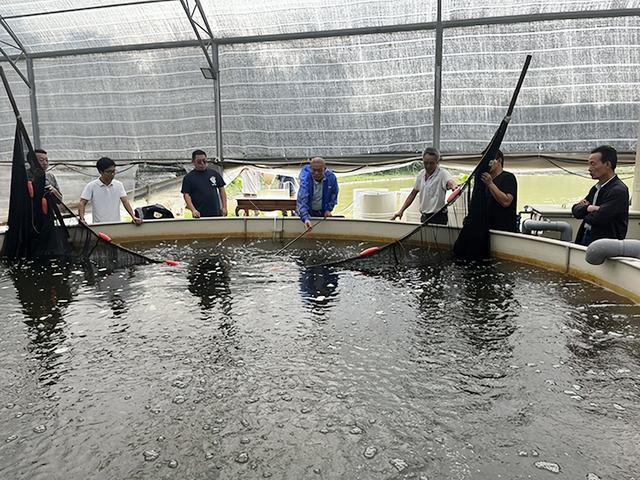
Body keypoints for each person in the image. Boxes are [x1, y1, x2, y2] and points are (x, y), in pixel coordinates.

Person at [571, 145, 629, 246]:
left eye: (593, 164)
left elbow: (598, 218)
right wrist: (589, 208)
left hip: (605, 245)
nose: (589, 169)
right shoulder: (595, 188)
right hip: (586, 237)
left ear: (607, 164)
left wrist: (585, 209)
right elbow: (575, 210)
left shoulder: (618, 191)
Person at [392, 146, 458, 224]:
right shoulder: (421, 174)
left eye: (431, 163)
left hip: (438, 217)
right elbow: (413, 194)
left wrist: (454, 187)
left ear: (437, 162)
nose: (428, 166)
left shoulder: (442, 174)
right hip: (424, 217)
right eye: (425, 163)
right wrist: (401, 210)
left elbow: (450, 182)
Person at [78, 157, 142, 224]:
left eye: (113, 171)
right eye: (108, 172)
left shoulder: (119, 185)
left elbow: (125, 201)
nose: (112, 174)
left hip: (116, 224)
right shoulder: (91, 186)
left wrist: (133, 216)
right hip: (99, 225)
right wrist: (82, 219)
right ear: (100, 172)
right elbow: (82, 203)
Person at [181, 149, 228, 218]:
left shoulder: (214, 174)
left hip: (216, 212)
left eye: (204, 161)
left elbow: (222, 190)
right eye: (199, 162)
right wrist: (193, 210)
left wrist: (224, 207)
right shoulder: (189, 178)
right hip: (199, 214)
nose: (202, 163)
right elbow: (186, 195)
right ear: (193, 162)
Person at [296, 157, 339, 231]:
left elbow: (334, 194)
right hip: (307, 212)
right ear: (310, 169)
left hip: (322, 212)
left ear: (324, 169)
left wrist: (328, 209)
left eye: (319, 171)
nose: (316, 173)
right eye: (314, 170)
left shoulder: (331, 178)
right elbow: (302, 199)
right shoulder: (305, 179)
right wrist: (305, 218)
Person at [480, 149, 518, 232]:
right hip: (487, 230)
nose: (486, 165)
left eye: (489, 161)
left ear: (499, 161)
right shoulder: (484, 181)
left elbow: (506, 202)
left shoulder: (508, 177)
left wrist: (490, 184)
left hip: (504, 231)